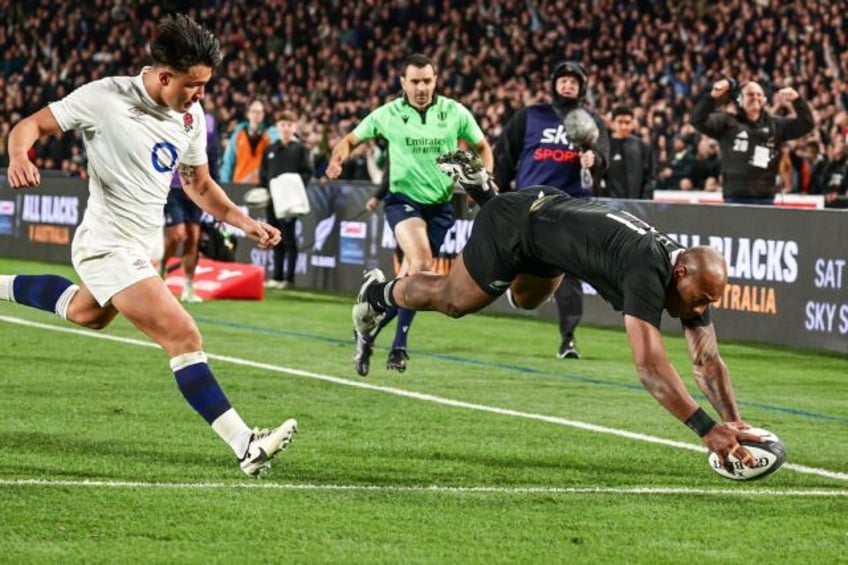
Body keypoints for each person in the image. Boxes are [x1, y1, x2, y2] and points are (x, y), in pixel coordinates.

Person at [0, 14, 296, 477]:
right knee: (183, 334)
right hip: (107, 243)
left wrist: (242, 221)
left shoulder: (191, 116)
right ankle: (246, 445)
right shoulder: (104, 98)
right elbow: (28, 125)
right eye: (193, 85)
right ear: (163, 76)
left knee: (87, 313)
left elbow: (197, 183)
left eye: (205, 85)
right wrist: (19, 154)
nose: (200, 96)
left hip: (143, 246)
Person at [352, 156, 763, 471]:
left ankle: (488, 195)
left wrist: (735, 423)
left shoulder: (687, 276)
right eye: (702, 299)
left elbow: (706, 360)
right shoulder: (647, 269)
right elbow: (651, 368)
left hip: (545, 218)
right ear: (681, 272)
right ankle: (380, 292)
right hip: (518, 228)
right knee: (453, 301)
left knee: (527, 300)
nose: (700, 309)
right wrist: (707, 430)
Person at [326, 53, 494, 377]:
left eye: (427, 81)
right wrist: (338, 160)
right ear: (403, 82)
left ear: (435, 80)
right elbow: (349, 140)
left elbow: (483, 146)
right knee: (421, 265)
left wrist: (483, 178)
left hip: (441, 207)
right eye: (415, 81)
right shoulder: (388, 114)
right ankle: (400, 346)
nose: (421, 88)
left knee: (409, 283)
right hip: (403, 202)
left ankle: (367, 328)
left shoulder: (454, 112)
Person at [494, 60, 610, 360]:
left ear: (582, 87)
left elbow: (604, 157)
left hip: (571, 205)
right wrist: (496, 191)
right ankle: (516, 280)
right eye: (563, 79)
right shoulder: (531, 115)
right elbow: (504, 154)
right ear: (554, 84)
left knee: (569, 272)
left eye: (574, 80)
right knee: (514, 257)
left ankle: (568, 339)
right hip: (530, 202)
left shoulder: (592, 119)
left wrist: (594, 160)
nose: (568, 84)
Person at [690, 79, 814, 205]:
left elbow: (807, 124)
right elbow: (697, 120)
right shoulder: (727, 122)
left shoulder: (776, 125)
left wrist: (797, 100)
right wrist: (712, 97)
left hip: (766, 196)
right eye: (750, 94)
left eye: (759, 94)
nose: (755, 97)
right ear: (740, 99)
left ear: (764, 100)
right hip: (736, 196)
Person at [260, 109, 314, 290]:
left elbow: (307, 173)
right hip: (273, 202)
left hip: (289, 203)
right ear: (277, 127)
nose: (285, 128)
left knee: (289, 239)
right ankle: (276, 276)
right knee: (275, 239)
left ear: (294, 127)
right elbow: (263, 174)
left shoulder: (299, 149)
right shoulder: (270, 150)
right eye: (282, 124)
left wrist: (293, 189)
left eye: (289, 125)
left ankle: (289, 279)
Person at [160, 172, 205, 302]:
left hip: (196, 189)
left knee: (193, 238)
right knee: (177, 234)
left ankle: (188, 288)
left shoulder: (208, 150)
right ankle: (162, 266)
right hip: (173, 188)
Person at [601, 105, 656, 199]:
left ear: (633, 124)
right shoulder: (605, 147)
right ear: (612, 123)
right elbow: (600, 177)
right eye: (620, 122)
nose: (624, 126)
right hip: (611, 204)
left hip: (638, 204)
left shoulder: (642, 147)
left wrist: (645, 202)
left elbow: (650, 177)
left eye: (627, 122)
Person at [219, 99, 279, 184]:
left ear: (263, 115)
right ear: (248, 114)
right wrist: (224, 184)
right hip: (240, 184)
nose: (256, 115)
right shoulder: (238, 134)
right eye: (253, 111)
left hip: (262, 185)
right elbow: (228, 161)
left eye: (259, 112)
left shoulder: (271, 135)